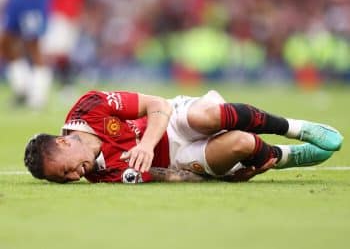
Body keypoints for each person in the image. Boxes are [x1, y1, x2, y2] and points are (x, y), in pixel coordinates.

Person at [24, 89, 343, 183]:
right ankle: (282, 156)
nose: (73, 177)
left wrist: (147, 144)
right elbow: (163, 175)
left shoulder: (89, 107)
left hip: (171, 122)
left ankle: (295, 127)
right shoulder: (103, 175)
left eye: (65, 170)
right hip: (179, 159)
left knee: (210, 115)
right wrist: (220, 179)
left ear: (64, 142)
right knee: (243, 144)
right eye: (64, 179)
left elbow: (157, 105)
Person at [0, 0, 52, 109]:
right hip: (15, 2)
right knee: (6, 42)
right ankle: (22, 88)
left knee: (33, 44)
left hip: (32, 2)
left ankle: (38, 94)